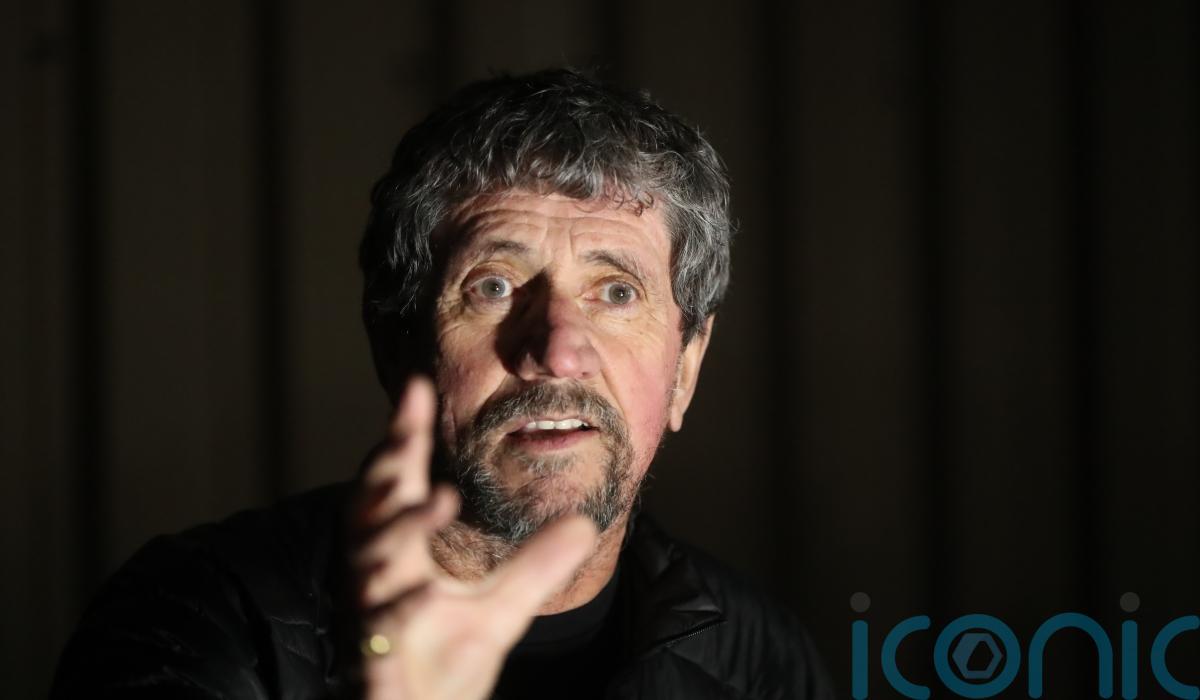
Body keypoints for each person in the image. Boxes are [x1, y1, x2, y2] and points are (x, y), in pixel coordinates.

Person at [52, 68, 834, 699]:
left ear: (686, 367)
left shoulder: (761, 659)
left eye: (616, 292)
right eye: (493, 286)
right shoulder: (193, 620)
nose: (559, 352)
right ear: (394, 345)